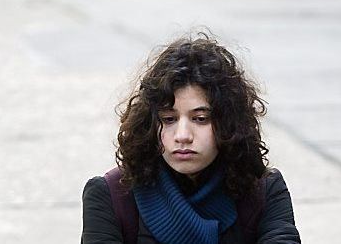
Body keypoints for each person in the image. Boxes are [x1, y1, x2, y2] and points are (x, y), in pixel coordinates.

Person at [81, 33, 300, 244]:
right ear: (149, 124)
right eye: (168, 119)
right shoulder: (111, 196)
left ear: (228, 122)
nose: (183, 136)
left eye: (200, 119)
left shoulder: (264, 191)